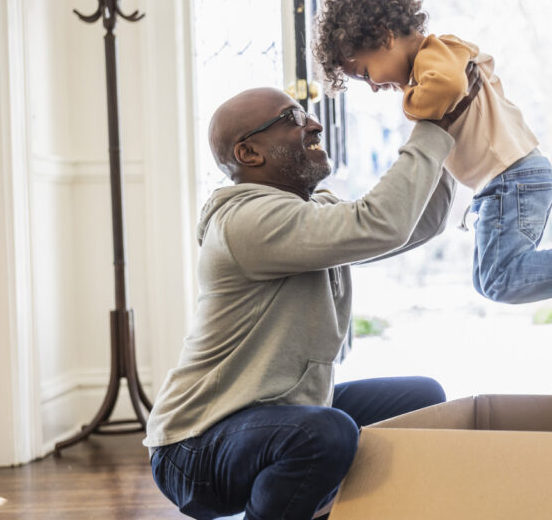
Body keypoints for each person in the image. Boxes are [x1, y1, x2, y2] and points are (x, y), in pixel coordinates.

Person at [145, 86, 462, 520]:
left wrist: (447, 131)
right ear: (249, 152)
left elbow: (414, 225)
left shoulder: (309, 212)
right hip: (194, 446)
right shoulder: (245, 222)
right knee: (322, 435)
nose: (313, 124)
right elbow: (381, 223)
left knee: (423, 399)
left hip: (274, 415)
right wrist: (431, 128)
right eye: (292, 119)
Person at [312, 0, 552, 328]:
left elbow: (449, 86)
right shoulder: (432, 62)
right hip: (509, 179)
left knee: (500, 279)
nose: (372, 86)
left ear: (387, 37)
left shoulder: (435, 54)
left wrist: (409, 103)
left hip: (512, 177)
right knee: (488, 281)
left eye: (364, 73)